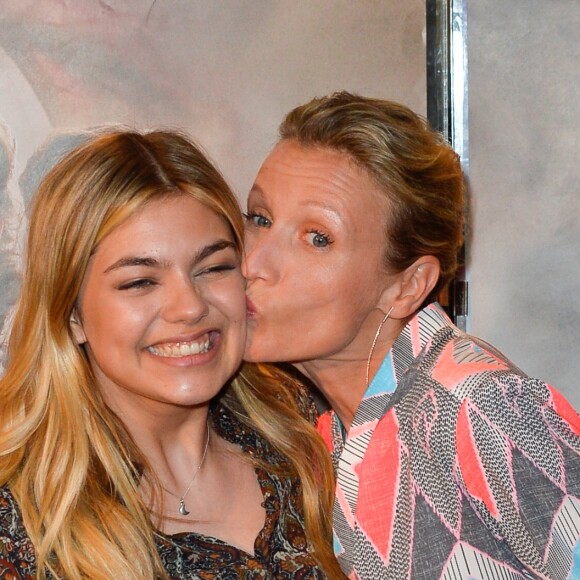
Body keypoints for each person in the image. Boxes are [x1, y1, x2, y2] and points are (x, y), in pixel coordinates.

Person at [242, 91, 580, 579]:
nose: (253, 263)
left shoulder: (477, 406)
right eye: (260, 218)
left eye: (318, 238)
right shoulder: (323, 426)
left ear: (407, 286)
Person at [0, 128, 344, 579]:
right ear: (71, 315)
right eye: (140, 282)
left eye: (214, 268)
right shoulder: (20, 520)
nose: (190, 307)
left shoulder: (310, 434)